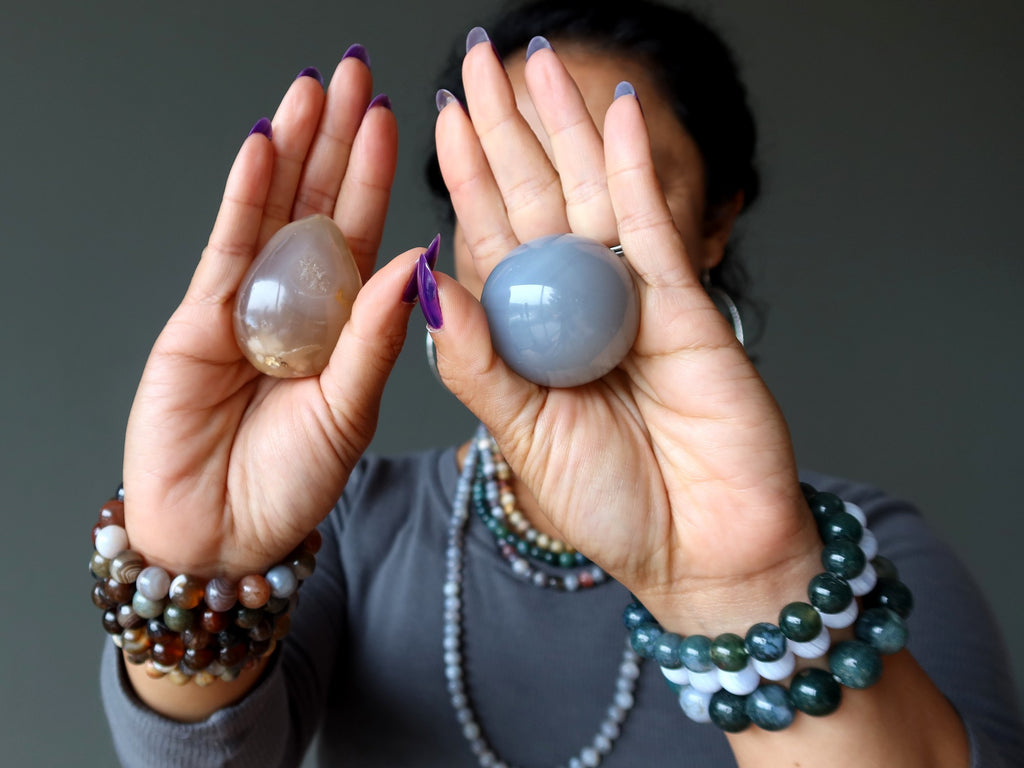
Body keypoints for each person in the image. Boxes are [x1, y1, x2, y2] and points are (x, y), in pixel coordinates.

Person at [97, 1, 1023, 765]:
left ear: (715, 221)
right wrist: (197, 581)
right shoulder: (348, 529)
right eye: (506, 181)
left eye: (616, 183)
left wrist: (749, 588)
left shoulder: (864, 558)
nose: (561, 243)